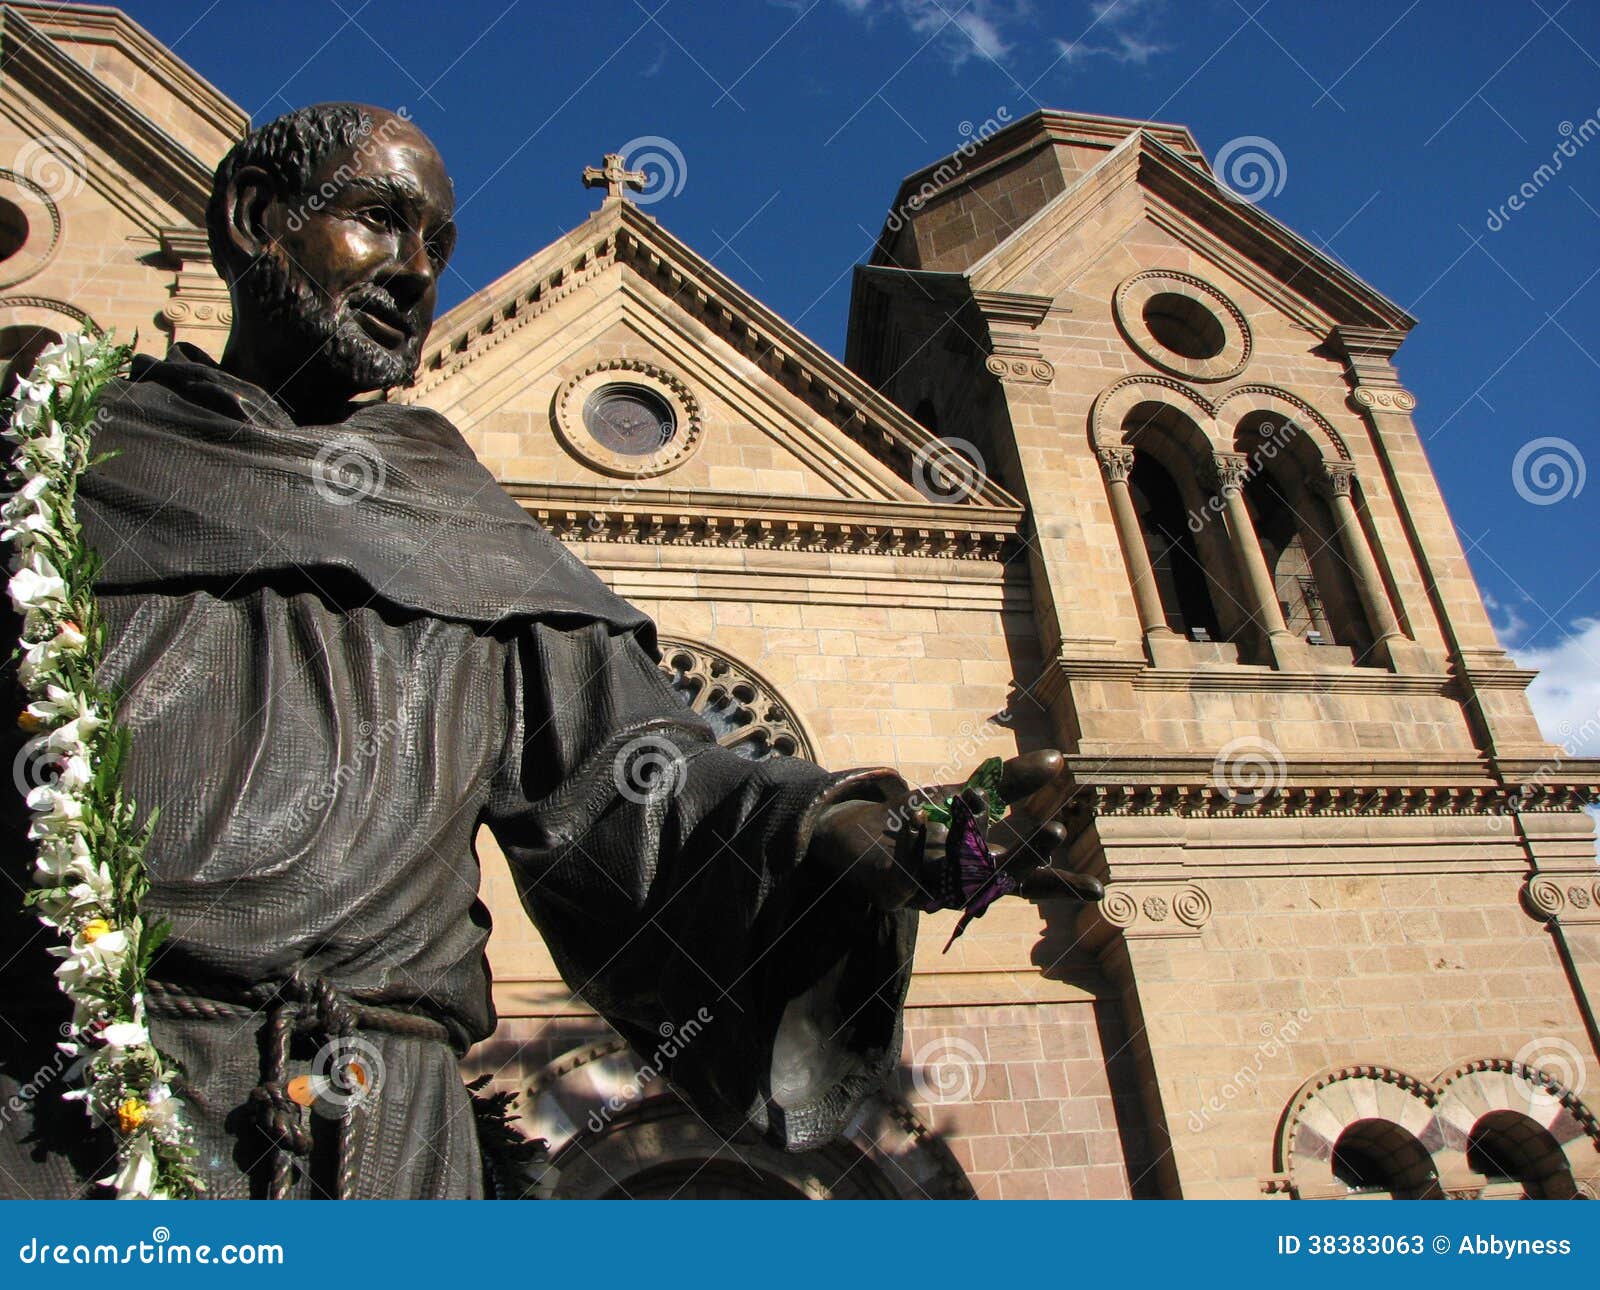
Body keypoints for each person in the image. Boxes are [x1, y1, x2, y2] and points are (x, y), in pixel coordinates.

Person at [0, 104, 1095, 1199]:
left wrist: (842, 830)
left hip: (380, 1130)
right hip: (69, 1092)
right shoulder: (68, 466)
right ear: (253, 220)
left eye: (438, 247)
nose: (413, 272)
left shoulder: (460, 519)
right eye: (380, 221)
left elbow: (639, 789)